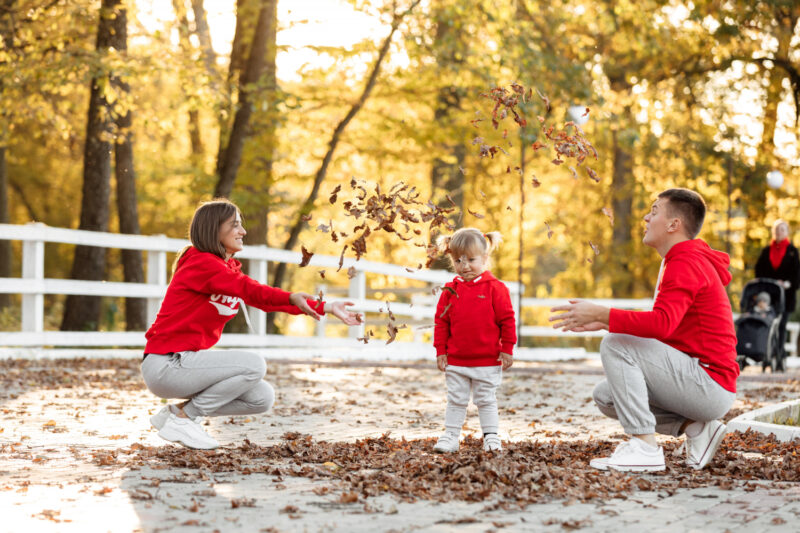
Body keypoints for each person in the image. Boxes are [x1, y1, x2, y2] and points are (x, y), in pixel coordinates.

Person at [141, 199, 363, 450]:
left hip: (184, 363)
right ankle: (185, 419)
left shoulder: (224, 269)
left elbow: (261, 299)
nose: (243, 231)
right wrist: (291, 296)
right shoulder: (201, 263)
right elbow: (251, 290)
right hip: (167, 364)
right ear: (214, 229)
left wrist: (326, 307)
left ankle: (176, 413)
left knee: (261, 397)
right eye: (234, 225)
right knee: (253, 365)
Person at [549, 188, 738, 472]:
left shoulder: (686, 261)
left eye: (653, 211)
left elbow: (661, 324)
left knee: (616, 344)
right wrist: (604, 321)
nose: (645, 218)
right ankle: (698, 428)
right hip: (703, 383)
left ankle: (645, 448)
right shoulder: (681, 259)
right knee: (608, 396)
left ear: (674, 224)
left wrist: (605, 315)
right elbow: (669, 325)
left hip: (709, 383)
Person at [432, 228, 516, 453]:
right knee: (456, 399)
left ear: (485, 258)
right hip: (457, 360)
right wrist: (441, 350)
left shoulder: (496, 289)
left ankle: (490, 436)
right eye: (458, 260)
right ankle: (451, 435)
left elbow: (507, 320)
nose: (465, 265)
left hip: (487, 359)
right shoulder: (450, 290)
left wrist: (507, 348)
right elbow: (441, 322)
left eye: (471, 259)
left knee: (486, 400)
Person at [755, 219, 800, 364]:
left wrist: (786, 284)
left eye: (782, 230)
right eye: (776, 230)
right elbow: (759, 271)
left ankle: (780, 356)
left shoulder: (793, 251)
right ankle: (767, 355)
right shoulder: (766, 251)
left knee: (781, 325)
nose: (778, 232)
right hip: (769, 295)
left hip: (786, 296)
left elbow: (796, 274)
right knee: (768, 324)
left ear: (786, 232)